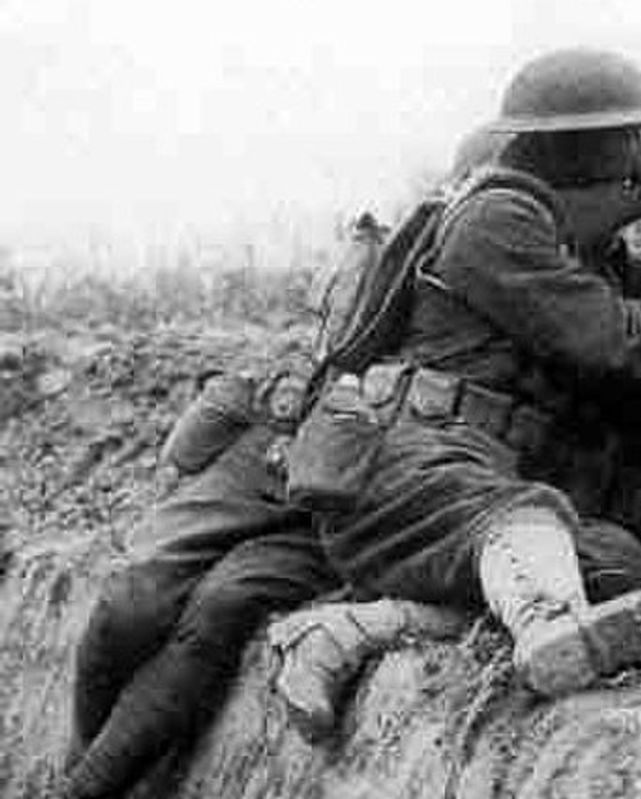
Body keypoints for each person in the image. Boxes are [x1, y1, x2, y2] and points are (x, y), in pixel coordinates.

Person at [270, 46, 641, 734]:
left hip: (465, 483)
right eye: (627, 135)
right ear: (568, 145)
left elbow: (613, 328)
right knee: (517, 520)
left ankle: (359, 627)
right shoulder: (495, 222)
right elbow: (626, 345)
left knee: (611, 562)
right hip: (407, 470)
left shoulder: (566, 240)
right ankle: (545, 625)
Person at [59, 127, 547, 799]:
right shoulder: (403, 258)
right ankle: (79, 768)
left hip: (352, 485)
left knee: (223, 607)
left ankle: (87, 787)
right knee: (129, 603)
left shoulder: (527, 285)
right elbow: (313, 361)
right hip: (276, 454)